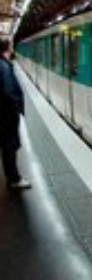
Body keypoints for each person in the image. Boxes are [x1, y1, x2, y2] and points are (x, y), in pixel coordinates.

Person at [0, 35, 31, 189]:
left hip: (4, 114)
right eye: (11, 45)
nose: (13, 47)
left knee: (8, 146)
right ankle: (14, 179)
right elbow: (8, 91)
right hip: (7, 115)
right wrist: (16, 107)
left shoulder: (3, 64)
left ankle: (11, 176)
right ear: (8, 47)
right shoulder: (4, 66)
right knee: (10, 146)